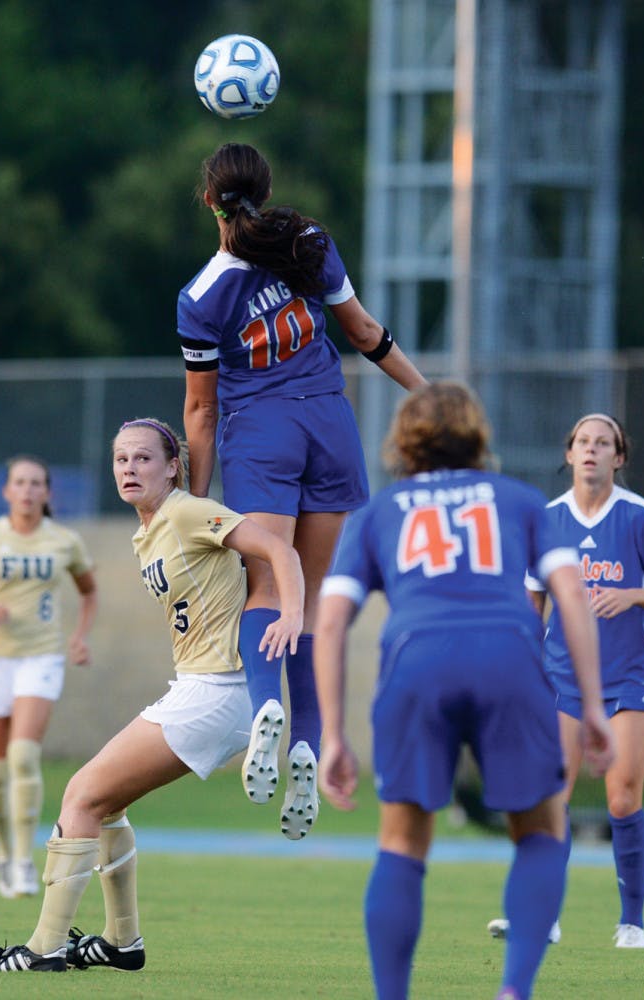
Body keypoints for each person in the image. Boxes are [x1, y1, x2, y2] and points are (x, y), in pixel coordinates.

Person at [313, 382, 615, 1000]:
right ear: (478, 436)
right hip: (509, 658)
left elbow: (333, 617)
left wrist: (333, 732)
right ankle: (512, 991)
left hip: (416, 662)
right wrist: (590, 704)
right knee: (538, 831)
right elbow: (572, 596)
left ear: (404, 441)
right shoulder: (521, 500)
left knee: (402, 842)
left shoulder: (379, 512)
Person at [0, 417, 304, 973]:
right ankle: (122, 943)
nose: (130, 468)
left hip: (217, 689)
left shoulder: (186, 511)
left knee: (81, 796)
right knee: (106, 806)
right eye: (121, 459)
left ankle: (44, 948)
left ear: (174, 466)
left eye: (144, 458)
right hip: (202, 689)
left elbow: (280, 550)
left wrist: (292, 613)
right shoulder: (148, 530)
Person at [179, 142, 426, 838]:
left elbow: (201, 411)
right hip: (330, 424)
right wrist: (431, 396)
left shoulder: (200, 297)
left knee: (265, 592)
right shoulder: (310, 242)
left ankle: (266, 707)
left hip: (263, 437)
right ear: (267, 187)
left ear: (210, 202)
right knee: (310, 602)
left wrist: (194, 509)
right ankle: (308, 748)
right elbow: (366, 334)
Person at [488, 413, 644, 950]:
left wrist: (632, 595)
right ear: (570, 453)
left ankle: (632, 923)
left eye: (605, 443)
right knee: (552, 794)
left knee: (622, 797)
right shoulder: (547, 519)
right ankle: (543, 917)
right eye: (583, 442)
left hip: (629, 677)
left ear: (620, 458)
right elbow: (533, 598)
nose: (593, 450)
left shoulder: (639, 516)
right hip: (563, 678)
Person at [0, 455, 97, 900]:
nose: (27, 491)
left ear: (47, 493)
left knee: (23, 757)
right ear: (6, 491)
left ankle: (26, 861)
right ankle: (5, 855)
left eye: (36, 484)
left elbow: (89, 591)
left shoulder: (63, 541)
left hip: (40, 657)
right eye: (19, 483)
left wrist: (80, 636)